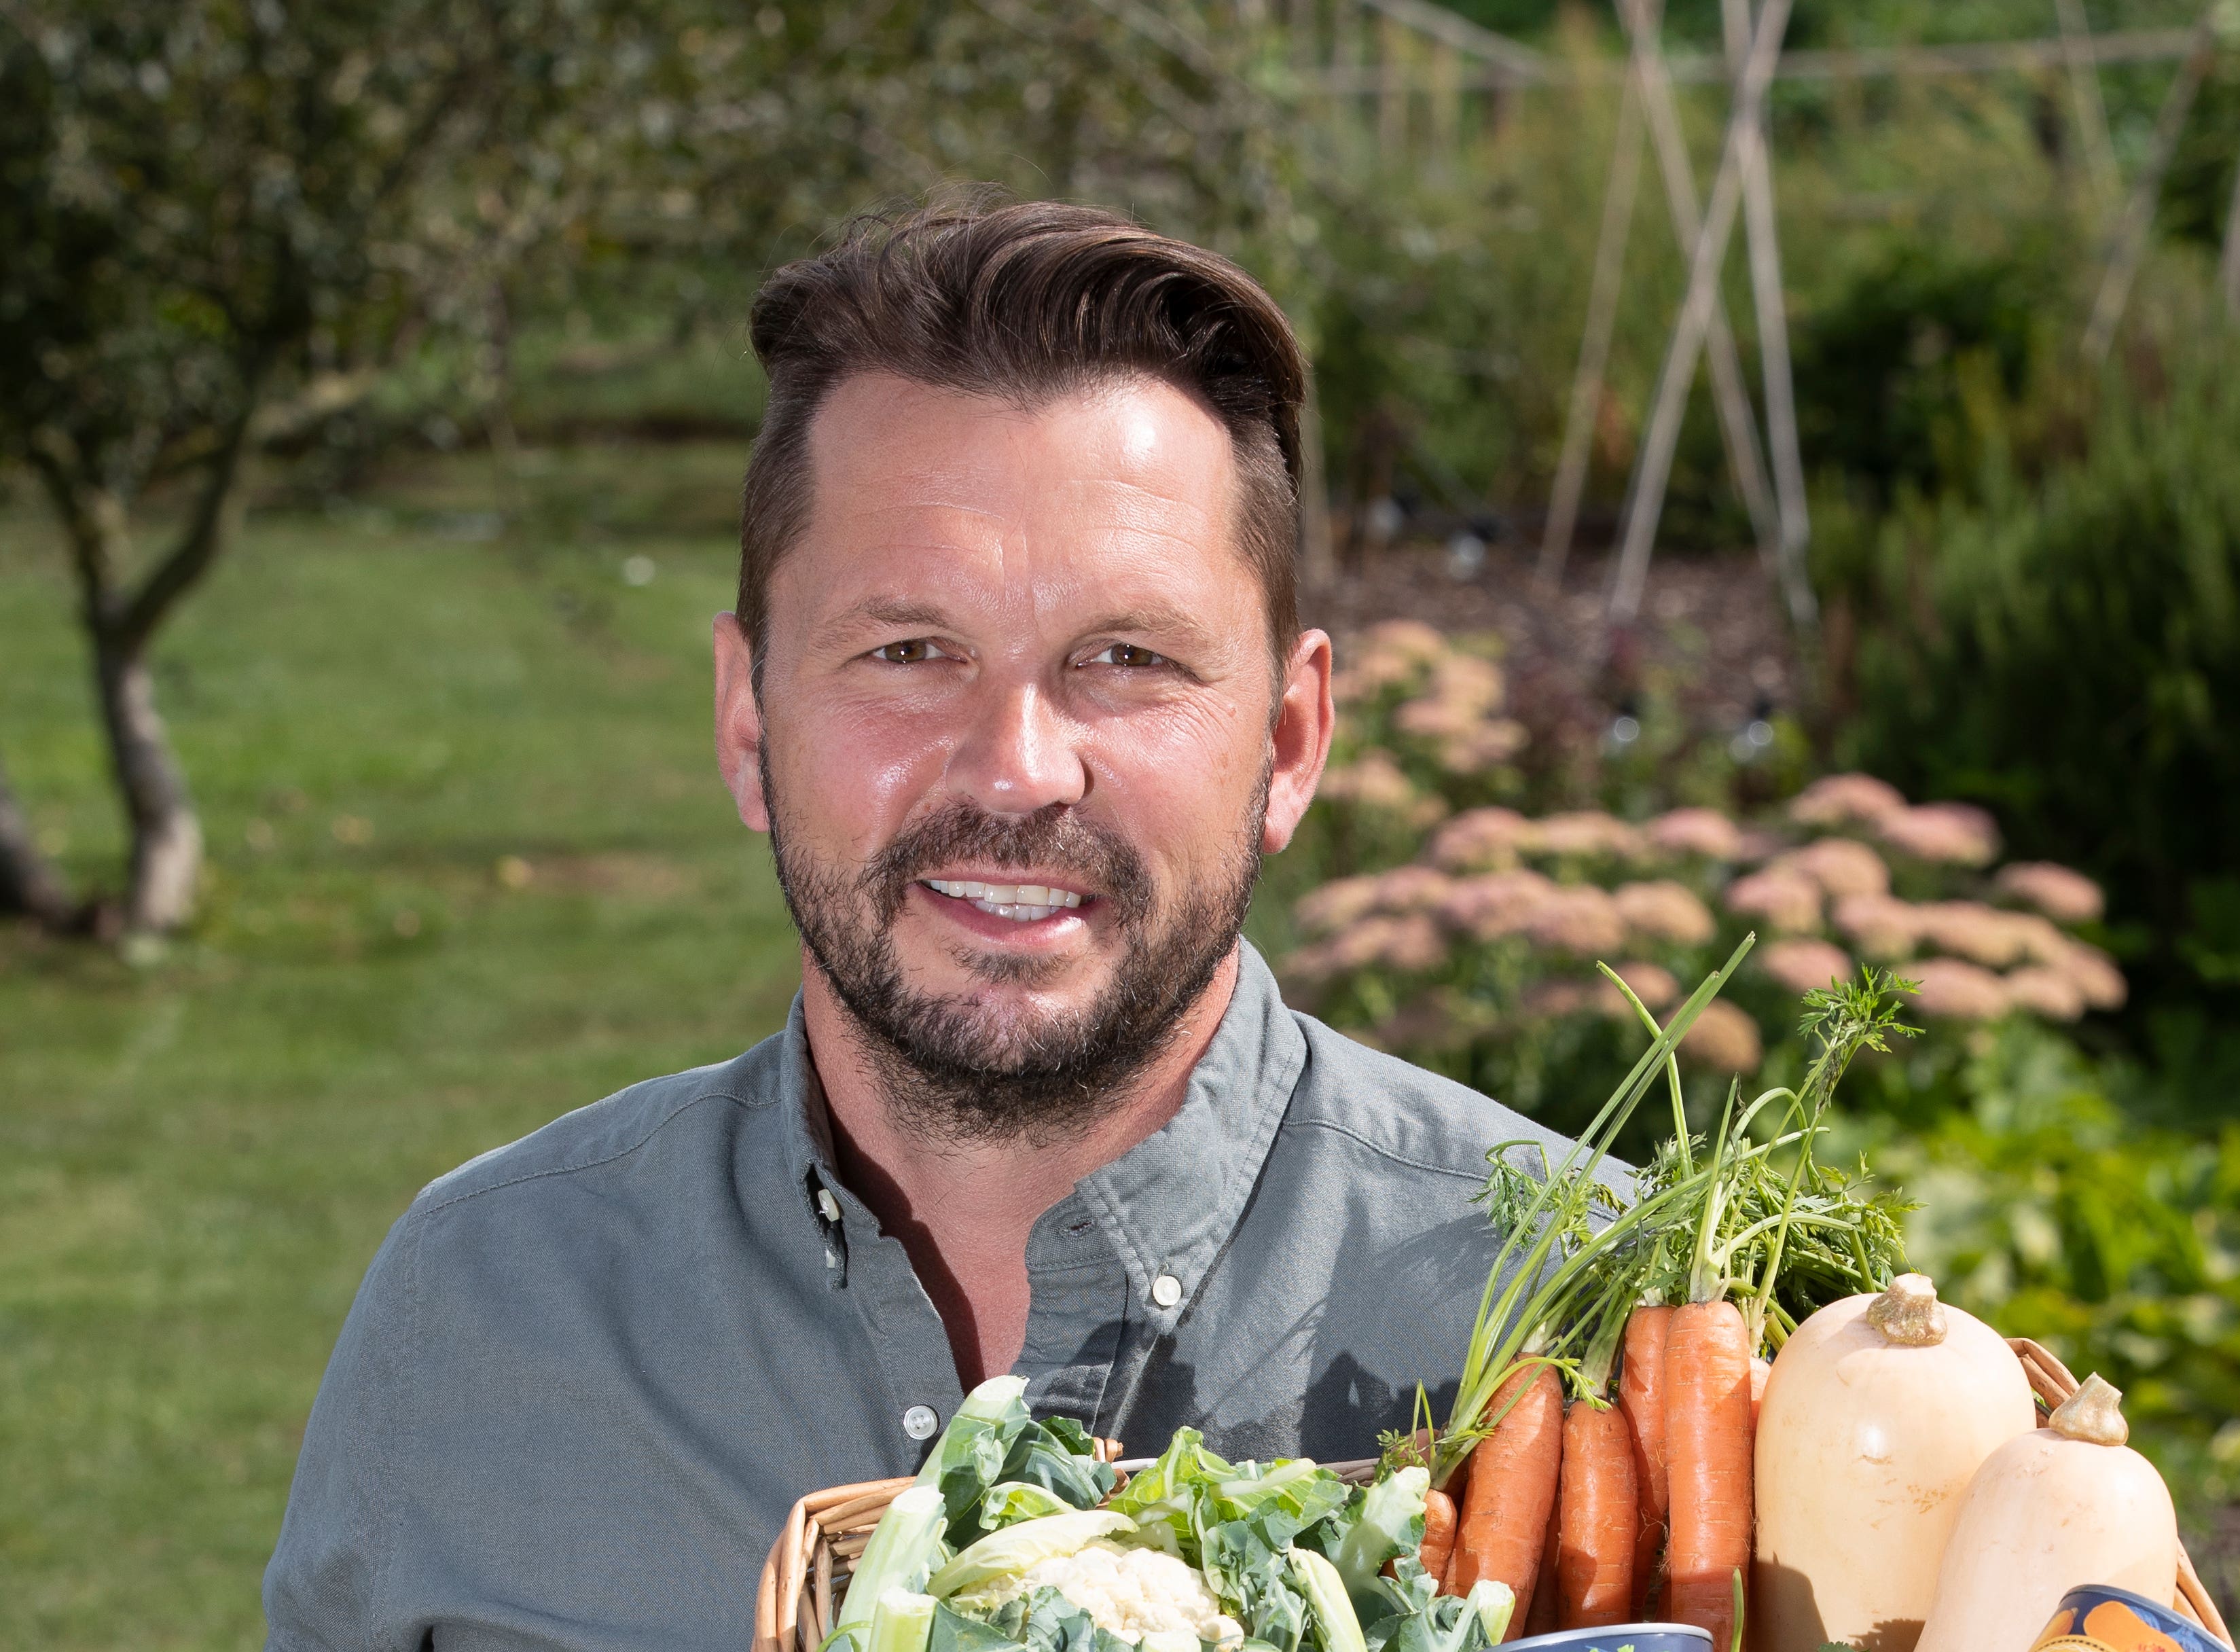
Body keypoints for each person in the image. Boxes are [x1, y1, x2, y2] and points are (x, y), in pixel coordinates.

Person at [264, 198, 1563, 1652]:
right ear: (749, 720)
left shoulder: (1588, 1323)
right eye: (909, 651)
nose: (1019, 765)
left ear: (1294, 734)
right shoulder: (483, 1315)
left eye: (1126, 657)